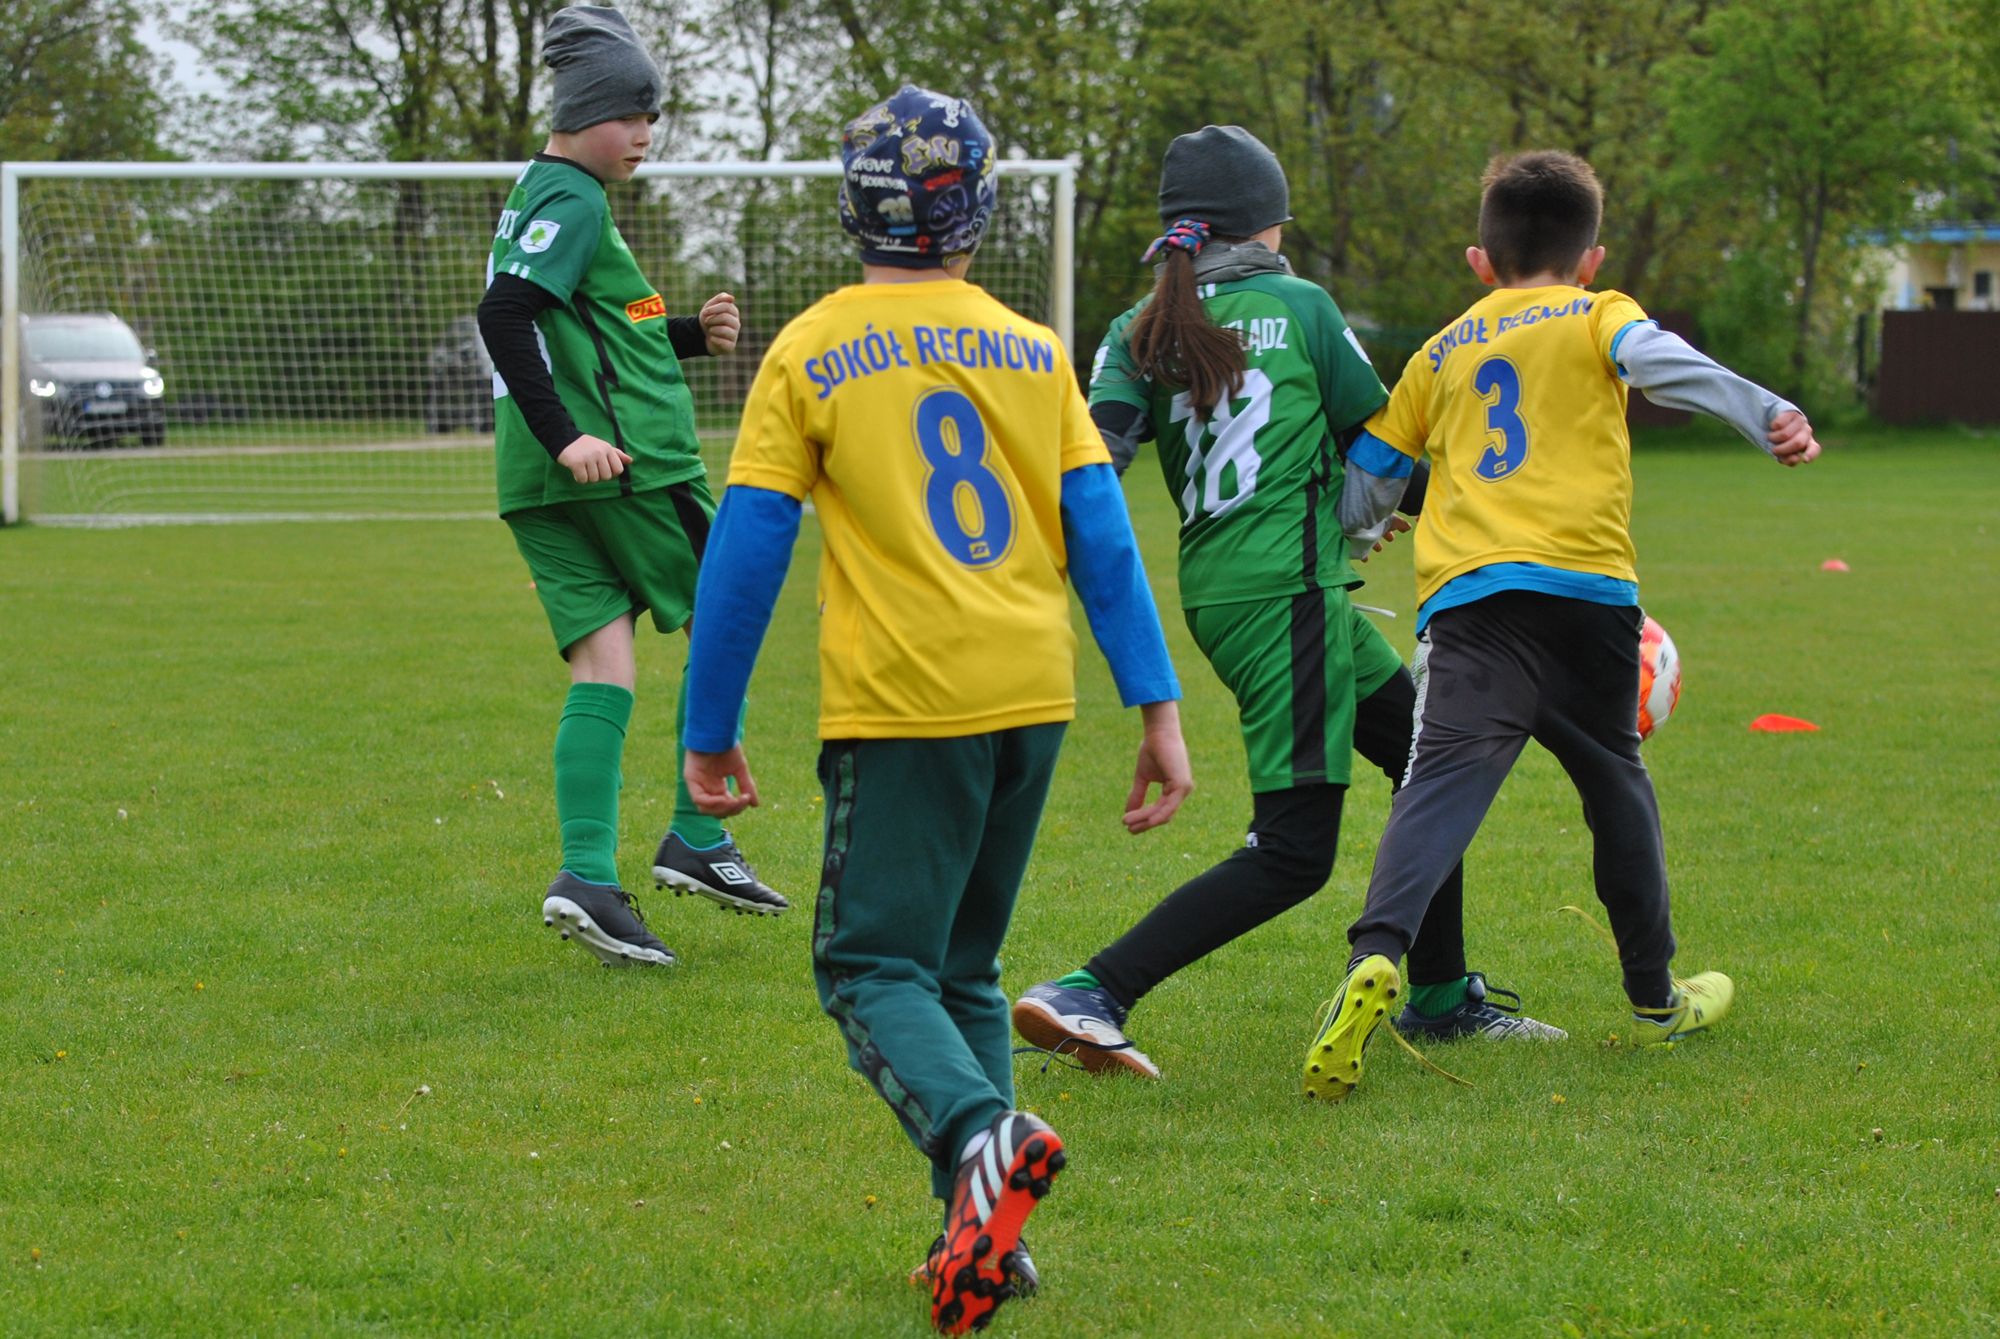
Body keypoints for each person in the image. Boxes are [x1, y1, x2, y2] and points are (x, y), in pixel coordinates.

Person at [676, 86, 1194, 1335]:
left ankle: (979, 1135)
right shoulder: (1030, 346)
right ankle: (982, 1241)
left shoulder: (809, 347)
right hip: (1033, 694)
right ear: (981, 213)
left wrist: (706, 722)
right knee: (962, 966)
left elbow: (748, 549)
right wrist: (1157, 706)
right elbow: (1102, 535)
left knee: (865, 964)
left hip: (906, 705)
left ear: (852, 209)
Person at [1012, 125, 1563, 1083]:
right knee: (1295, 850)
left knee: (1424, 762)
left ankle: (1438, 997)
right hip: (1289, 596)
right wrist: (1497, 520)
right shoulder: (1301, 305)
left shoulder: (1131, 327)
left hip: (1226, 594)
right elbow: (1381, 441)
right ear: (1267, 226)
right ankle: (1091, 990)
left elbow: (1097, 457)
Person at [1309, 149, 1821, 1101]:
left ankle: (1376, 955)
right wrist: (1769, 414)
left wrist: (1373, 522)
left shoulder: (1440, 349)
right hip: (1588, 595)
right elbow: (1660, 365)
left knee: (1437, 786)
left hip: (1471, 603)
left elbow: (1367, 486)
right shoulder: (1598, 313)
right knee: (1616, 784)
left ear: (1479, 260)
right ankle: (1654, 995)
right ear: (1590, 257)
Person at [476, 5, 787, 971]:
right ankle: (697, 835)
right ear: (586, 113)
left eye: (655, 116)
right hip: (631, 467)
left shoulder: (546, 196)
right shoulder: (574, 199)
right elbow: (506, 312)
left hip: (538, 484)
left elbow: (613, 311)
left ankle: (586, 876)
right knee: (724, 618)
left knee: (603, 668)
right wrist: (572, 434)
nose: (647, 135)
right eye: (634, 115)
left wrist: (690, 327)